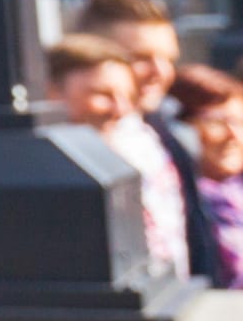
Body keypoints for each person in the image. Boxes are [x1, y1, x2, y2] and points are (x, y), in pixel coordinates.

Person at [76, 0, 216, 278]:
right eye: (140, 58)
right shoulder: (72, 149)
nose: (160, 72)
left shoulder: (164, 137)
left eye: (169, 59)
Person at [49, 33, 189, 280]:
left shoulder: (145, 144)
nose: (120, 109)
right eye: (102, 95)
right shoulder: (42, 173)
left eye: (127, 96)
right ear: (51, 93)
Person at [174, 67, 243, 290]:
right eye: (217, 122)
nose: (234, 136)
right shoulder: (172, 201)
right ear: (181, 129)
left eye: (242, 122)